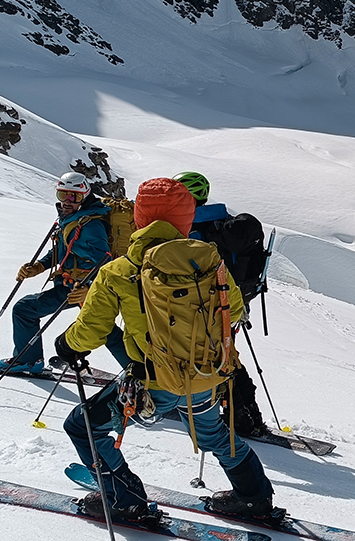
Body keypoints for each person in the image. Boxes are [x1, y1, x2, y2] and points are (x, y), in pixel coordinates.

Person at [55, 177, 276, 522]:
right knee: (216, 436)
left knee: (82, 426)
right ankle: (255, 498)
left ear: (139, 218)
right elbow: (234, 308)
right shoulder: (210, 263)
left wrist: (66, 345)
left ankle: (125, 500)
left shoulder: (120, 270)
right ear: (186, 219)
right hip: (205, 376)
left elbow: (92, 330)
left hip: (152, 384)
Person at [173, 171, 275, 438]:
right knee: (225, 357)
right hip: (232, 305)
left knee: (223, 361)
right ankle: (244, 417)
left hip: (209, 309)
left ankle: (245, 420)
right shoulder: (220, 224)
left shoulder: (198, 231)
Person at [3, 172, 126, 373]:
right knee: (103, 329)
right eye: (63, 195)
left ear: (85, 196)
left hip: (77, 287)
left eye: (74, 196)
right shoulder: (74, 218)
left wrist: (89, 288)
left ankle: (28, 361)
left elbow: (105, 262)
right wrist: (39, 267)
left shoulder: (91, 225)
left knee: (24, 309)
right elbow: (62, 249)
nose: (67, 201)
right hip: (74, 286)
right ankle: (140, 373)